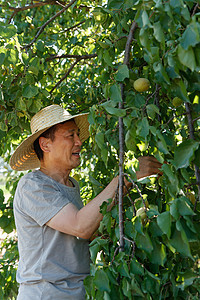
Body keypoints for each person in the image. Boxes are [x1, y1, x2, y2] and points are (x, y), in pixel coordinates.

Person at [10, 104, 162, 300]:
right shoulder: (33, 186)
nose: (79, 142)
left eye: (78, 135)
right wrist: (126, 176)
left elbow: (85, 233)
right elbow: (80, 226)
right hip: (45, 294)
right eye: (70, 135)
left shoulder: (72, 185)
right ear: (45, 145)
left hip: (75, 292)